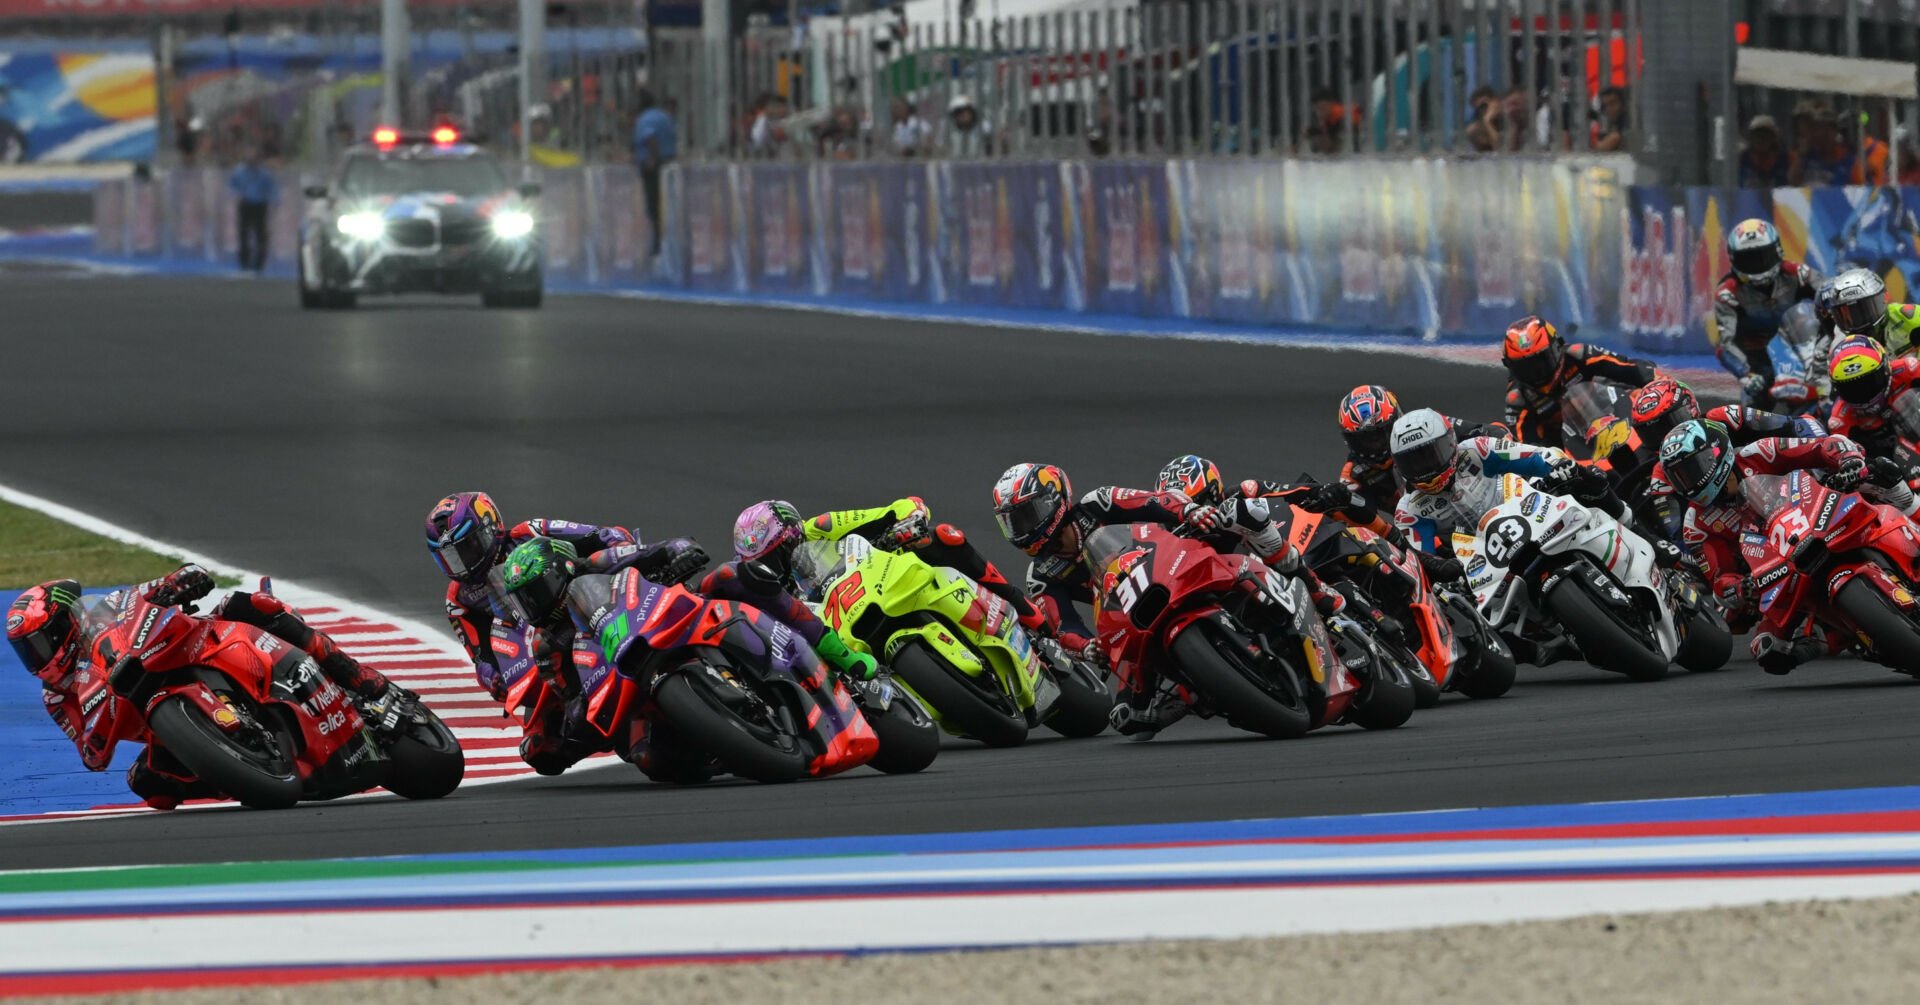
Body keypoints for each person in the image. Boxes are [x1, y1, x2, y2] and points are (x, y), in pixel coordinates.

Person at [9, 566, 406, 809]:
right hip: (158, 721)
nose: (38, 657)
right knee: (147, 785)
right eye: (28, 651)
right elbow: (91, 755)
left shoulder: (108, 606)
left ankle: (359, 679)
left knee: (247, 605)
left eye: (42, 641)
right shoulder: (57, 698)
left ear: (67, 623)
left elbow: (157, 588)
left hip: (195, 647)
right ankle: (243, 770)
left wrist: (179, 582)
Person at [990, 462, 1326, 738]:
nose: (1020, 529)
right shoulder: (1041, 575)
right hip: (1128, 612)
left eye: (1026, 515)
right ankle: (1198, 693)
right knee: (1128, 717)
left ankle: (1311, 588)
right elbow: (1062, 624)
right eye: (1011, 522)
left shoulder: (1098, 502)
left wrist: (1190, 511)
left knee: (1240, 519)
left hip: (1169, 560)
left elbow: (1153, 501)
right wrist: (1086, 647)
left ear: (1054, 500)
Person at [425, 491, 705, 775]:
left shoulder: (531, 531)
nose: (463, 561)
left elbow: (604, 536)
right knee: (540, 750)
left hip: (594, 596)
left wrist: (621, 553)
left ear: (490, 528)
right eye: (450, 557)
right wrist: (493, 679)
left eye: (468, 547)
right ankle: (608, 718)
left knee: (701, 583)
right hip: (543, 643)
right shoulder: (459, 599)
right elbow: (480, 656)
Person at [1659, 418, 1910, 674]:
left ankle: (1912, 517)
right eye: (1680, 477)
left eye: (1693, 468)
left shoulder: (1758, 452)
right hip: (1780, 567)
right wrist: (1739, 588)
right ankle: (1826, 642)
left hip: (1821, 512)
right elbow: (1720, 581)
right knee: (1767, 647)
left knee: (1882, 473)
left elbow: (1824, 446)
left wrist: (1848, 462)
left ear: (1716, 452)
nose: (1689, 481)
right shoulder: (1696, 524)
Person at [497, 537, 726, 783]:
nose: (533, 605)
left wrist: (681, 553)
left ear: (562, 569)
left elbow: (657, 549)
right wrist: (586, 703)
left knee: (727, 580)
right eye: (524, 601)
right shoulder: (546, 648)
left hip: (663, 617)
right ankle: (732, 754)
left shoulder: (599, 561)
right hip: (633, 689)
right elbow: (568, 694)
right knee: (647, 757)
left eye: (537, 592)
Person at [1626, 376, 1827, 540]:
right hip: (1744, 538)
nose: (1668, 437)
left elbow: (1798, 425)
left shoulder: (1725, 416)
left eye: (1668, 424)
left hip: (1792, 494)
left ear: (1689, 408)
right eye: (1652, 435)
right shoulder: (1661, 475)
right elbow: (1678, 538)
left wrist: (1825, 470)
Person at [1711, 219, 1823, 406]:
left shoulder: (1799, 274)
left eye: (1762, 256)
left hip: (1803, 350)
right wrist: (1746, 375)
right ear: (1733, 260)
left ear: (1777, 251)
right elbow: (1725, 343)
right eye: (1748, 259)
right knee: (1753, 411)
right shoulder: (1727, 293)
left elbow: (1829, 294)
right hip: (1761, 363)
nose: (1757, 265)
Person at [1501, 315, 1661, 447]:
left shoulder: (1578, 354)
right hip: (1569, 453)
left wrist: (1656, 383)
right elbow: (1527, 449)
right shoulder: (1517, 398)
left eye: (1541, 362)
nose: (1535, 373)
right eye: (1525, 367)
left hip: (1611, 417)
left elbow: (1633, 368)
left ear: (1557, 347)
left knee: (1643, 394)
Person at [1825, 337, 1920, 480]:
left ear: (1886, 368)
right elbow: (1844, 463)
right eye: (1852, 389)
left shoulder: (1908, 369)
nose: (1863, 393)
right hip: (1892, 467)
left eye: (1869, 382)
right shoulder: (1839, 420)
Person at [1823, 267, 1920, 355]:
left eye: (1864, 310)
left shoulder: (1909, 316)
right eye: (1848, 315)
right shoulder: (1840, 344)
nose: (1858, 319)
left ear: (1883, 299)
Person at [631, 89, 676, 258]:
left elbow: (651, 138)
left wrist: (651, 159)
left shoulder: (645, 119)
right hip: (669, 163)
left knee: (653, 206)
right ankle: (668, 242)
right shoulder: (664, 116)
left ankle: (658, 244)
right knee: (669, 206)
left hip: (653, 168)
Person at [227, 148, 276, 274]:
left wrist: (273, 202)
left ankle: (259, 263)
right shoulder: (239, 172)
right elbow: (231, 185)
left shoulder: (265, 174)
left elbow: (272, 189)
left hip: (260, 205)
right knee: (243, 233)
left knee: (260, 234)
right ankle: (244, 262)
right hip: (245, 204)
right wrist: (236, 195)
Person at [1792, 108, 1855, 187]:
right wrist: (1801, 155)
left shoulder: (1848, 160)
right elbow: (1792, 182)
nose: (1824, 134)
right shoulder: (1808, 156)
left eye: (1829, 128)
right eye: (1821, 128)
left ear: (1835, 132)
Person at [1738, 115, 1791, 188]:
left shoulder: (1785, 159)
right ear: (1751, 138)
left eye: (1765, 135)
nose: (1761, 139)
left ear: (1773, 138)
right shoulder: (1742, 160)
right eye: (1757, 135)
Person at [945, 94, 995, 159]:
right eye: (957, 113)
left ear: (971, 111)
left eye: (963, 111)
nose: (961, 115)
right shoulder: (951, 132)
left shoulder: (984, 127)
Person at [1592, 86, 1629, 152]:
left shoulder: (1628, 122)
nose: (1609, 109)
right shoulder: (1609, 125)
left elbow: (1615, 138)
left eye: (1612, 103)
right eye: (1606, 105)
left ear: (1622, 104)